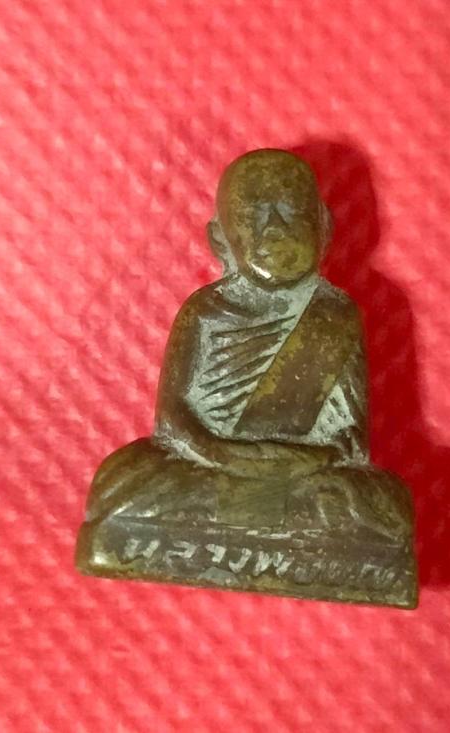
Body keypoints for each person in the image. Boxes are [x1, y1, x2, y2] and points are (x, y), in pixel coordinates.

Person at [79, 149, 413, 545]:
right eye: (253, 218)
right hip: (212, 463)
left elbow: (350, 438)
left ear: (324, 227)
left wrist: (306, 459)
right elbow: (173, 419)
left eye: (291, 212)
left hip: (303, 474)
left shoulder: (335, 315)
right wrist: (220, 453)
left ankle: (238, 530)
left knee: (379, 505)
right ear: (219, 239)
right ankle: (263, 531)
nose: (274, 229)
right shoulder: (205, 312)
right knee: (124, 485)